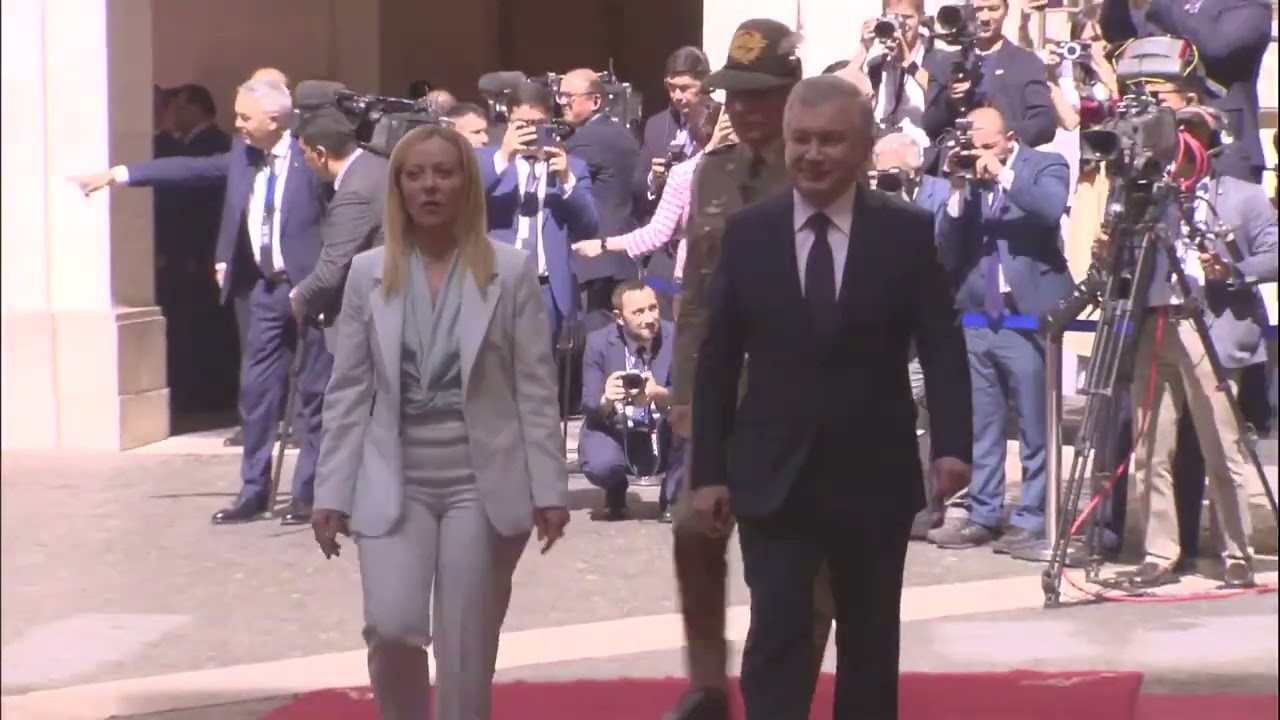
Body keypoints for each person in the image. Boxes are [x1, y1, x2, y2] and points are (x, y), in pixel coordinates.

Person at [691, 75, 972, 719]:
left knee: (871, 646)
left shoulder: (905, 232)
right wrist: (707, 471)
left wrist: (953, 445)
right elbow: (717, 358)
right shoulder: (750, 233)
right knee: (778, 641)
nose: (814, 155)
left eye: (831, 141)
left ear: (866, 146)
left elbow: (941, 342)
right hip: (773, 475)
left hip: (872, 476)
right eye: (802, 140)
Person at [311, 125, 571, 720]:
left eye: (444, 172)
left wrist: (550, 490)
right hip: (391, 476)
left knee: (465, 645)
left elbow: (535, 388)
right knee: (393, 626)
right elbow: (347, 390)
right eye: (415, 174)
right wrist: (330, 491)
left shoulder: (511, 270)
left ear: (467, 184)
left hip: (481, 481)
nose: (430, 186)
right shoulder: (366, 273)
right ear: (398, 187)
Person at [665, 19, 834, 720]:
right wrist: (682, 390)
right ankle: (708, 682)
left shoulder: (820, 173)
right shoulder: (713, 170)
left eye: (759, 95)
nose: (742, 108)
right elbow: (698, 294)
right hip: (719, 397)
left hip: (792, 400)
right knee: (691, 533)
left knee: (791, 559)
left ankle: (778, 688)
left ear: (793, 93)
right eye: (735, 94)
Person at [71, 75, 330, 526]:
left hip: (311, 291)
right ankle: (253, 489)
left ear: (276, 118)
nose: (237, 125)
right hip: (265, 291)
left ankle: (308, 494)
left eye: (244, 117)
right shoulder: (243, 157)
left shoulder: (314, 157)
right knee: (256, 393)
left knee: (312, 394)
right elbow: (191, 171)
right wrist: (119, 175)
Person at [928, 106, 1072, 551]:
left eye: (988, 144)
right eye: (976, 144)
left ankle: (1032, 517)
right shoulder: (967, 177)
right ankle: (983, 512)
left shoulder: (1046, 164)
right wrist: (956, 191)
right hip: (978, 315)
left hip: (1027, 315)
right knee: (983, 425)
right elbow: (945, 249)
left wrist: (1002, 174)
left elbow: (1049, 210)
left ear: (1009, 138)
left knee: (1033, 422)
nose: (980, 152)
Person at [478, 81, 599, 349]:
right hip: (497, 285)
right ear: (508, 123)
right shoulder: (487, 160)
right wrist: (504, 156)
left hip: (546, 289)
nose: (531, 131)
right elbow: (463, 200)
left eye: (538, 123)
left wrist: (567, 180)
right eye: (522, 124)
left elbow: (589, 228)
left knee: (542, 378)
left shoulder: (572, 168)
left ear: (550, 122)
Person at [1099, 0, 1272, 183]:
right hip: (1160, 145)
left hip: (1224, 148)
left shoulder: (1251, 6)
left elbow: (1216, 46)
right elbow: (1118, 33)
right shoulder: (1170, 7)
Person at [578, 280, 677, 520]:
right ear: (619, 317)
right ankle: (615, 487)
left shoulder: (676, 337)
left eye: (653, 308)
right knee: (599, 463)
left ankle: (673, 494)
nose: (650, 318)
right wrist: (606, 399)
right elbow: (589, 404)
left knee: (696, 432)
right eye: (638, 312)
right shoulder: (598, 342)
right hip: (618, 429)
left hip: (664, 429)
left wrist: (659, 394)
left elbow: (692, 394)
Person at [292, 108, 389, 344]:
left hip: (369, 319)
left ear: (321, 154)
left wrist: (299, 297)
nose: (304, 162)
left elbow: (329, 273)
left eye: (305, 154)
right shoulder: (376, 164)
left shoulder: (353, 194)